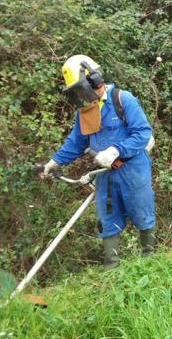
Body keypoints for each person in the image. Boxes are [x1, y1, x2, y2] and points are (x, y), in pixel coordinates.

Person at [40, 55, 156, 270]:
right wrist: (53, 163)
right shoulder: (85, 112)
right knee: (108, 219)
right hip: (105, 176)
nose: (79, 95)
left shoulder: (123, 99)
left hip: (132, 171)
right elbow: (76, 142)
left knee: (142, 213)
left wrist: (116, 150)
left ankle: (150, 262)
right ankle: (112, 270)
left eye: (80, 88)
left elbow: (143, 133)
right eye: (74, 91)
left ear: (94, 79)